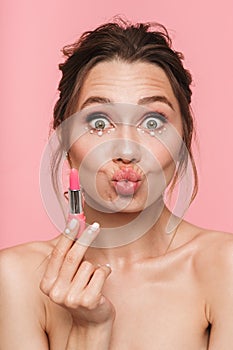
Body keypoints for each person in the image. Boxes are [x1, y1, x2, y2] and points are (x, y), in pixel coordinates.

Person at [1, 18, 233, 350]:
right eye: (99, 122)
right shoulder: (16, 279)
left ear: (183, 138)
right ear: (64, 141)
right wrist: (88, 334)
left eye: (153, 122)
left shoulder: (224, 267)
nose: (127, 151)